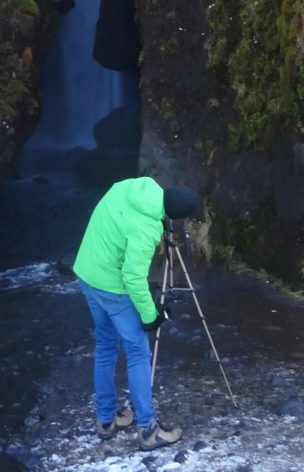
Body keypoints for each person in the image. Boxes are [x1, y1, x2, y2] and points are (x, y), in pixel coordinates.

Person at [73, 176, 199, 451]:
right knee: (138, 351)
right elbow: (132, 278)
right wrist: (150, 316)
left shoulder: (132, 187)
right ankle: (147, 429)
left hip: (87, 272)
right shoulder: (146, 228)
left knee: (106, 345)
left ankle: (106, 420)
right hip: (112, 287)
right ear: (175, 217)